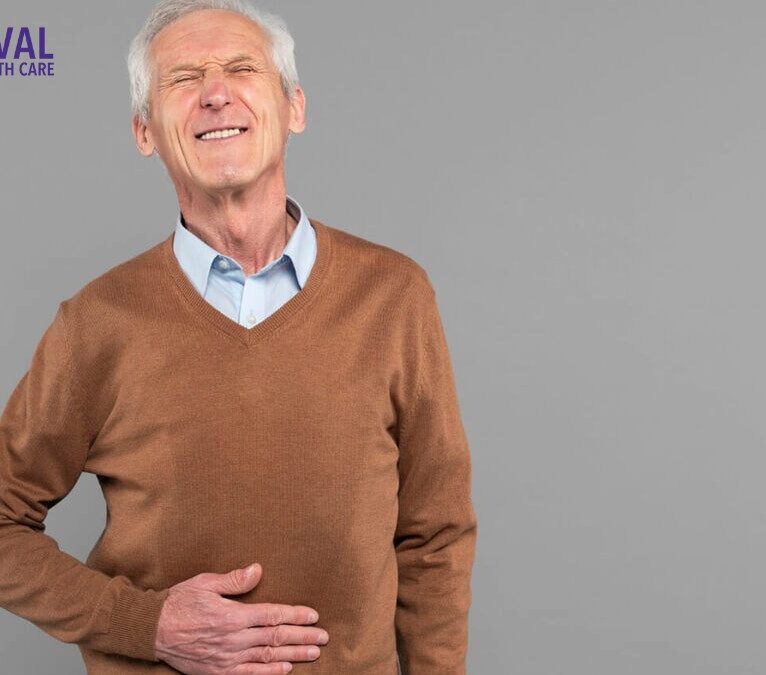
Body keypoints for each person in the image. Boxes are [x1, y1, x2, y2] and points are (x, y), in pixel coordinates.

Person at [0, 0, 477, 673]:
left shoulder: (394, 296)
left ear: (294, 109)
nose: (215, 93)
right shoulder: (96, 324)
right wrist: (146, 623)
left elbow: (436, 534)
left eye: (240, 68)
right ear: (145, 131)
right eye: (182, 79)